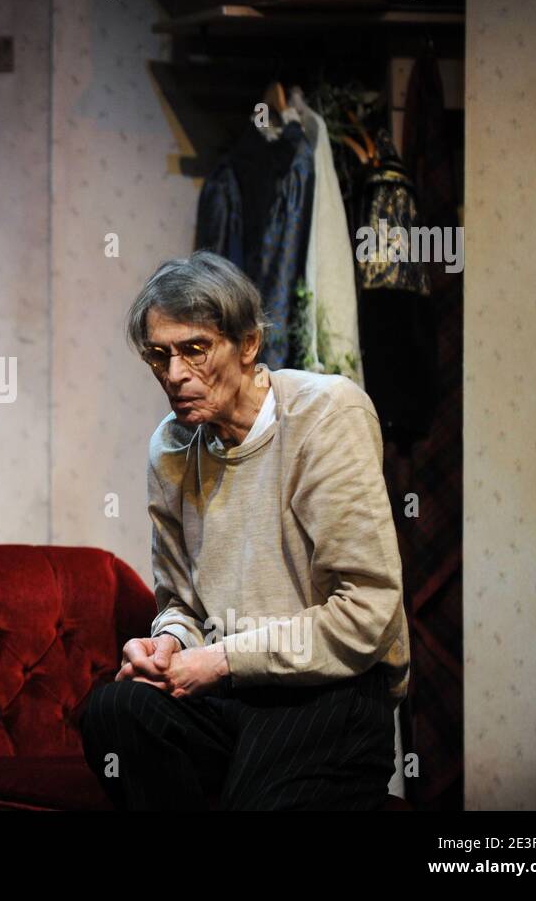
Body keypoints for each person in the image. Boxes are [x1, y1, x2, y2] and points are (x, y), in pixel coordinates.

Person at [80, 250, 409, 810]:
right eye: (159, 356)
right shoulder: (171, 445)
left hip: (333, 691)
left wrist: (219, 660)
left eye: (195, 350)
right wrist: (169, 644)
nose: (175, 375)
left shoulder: (325, 415)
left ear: (248, 344)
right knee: (113, 711)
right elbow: (179, 601)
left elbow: (366, 613)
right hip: (228, 691)